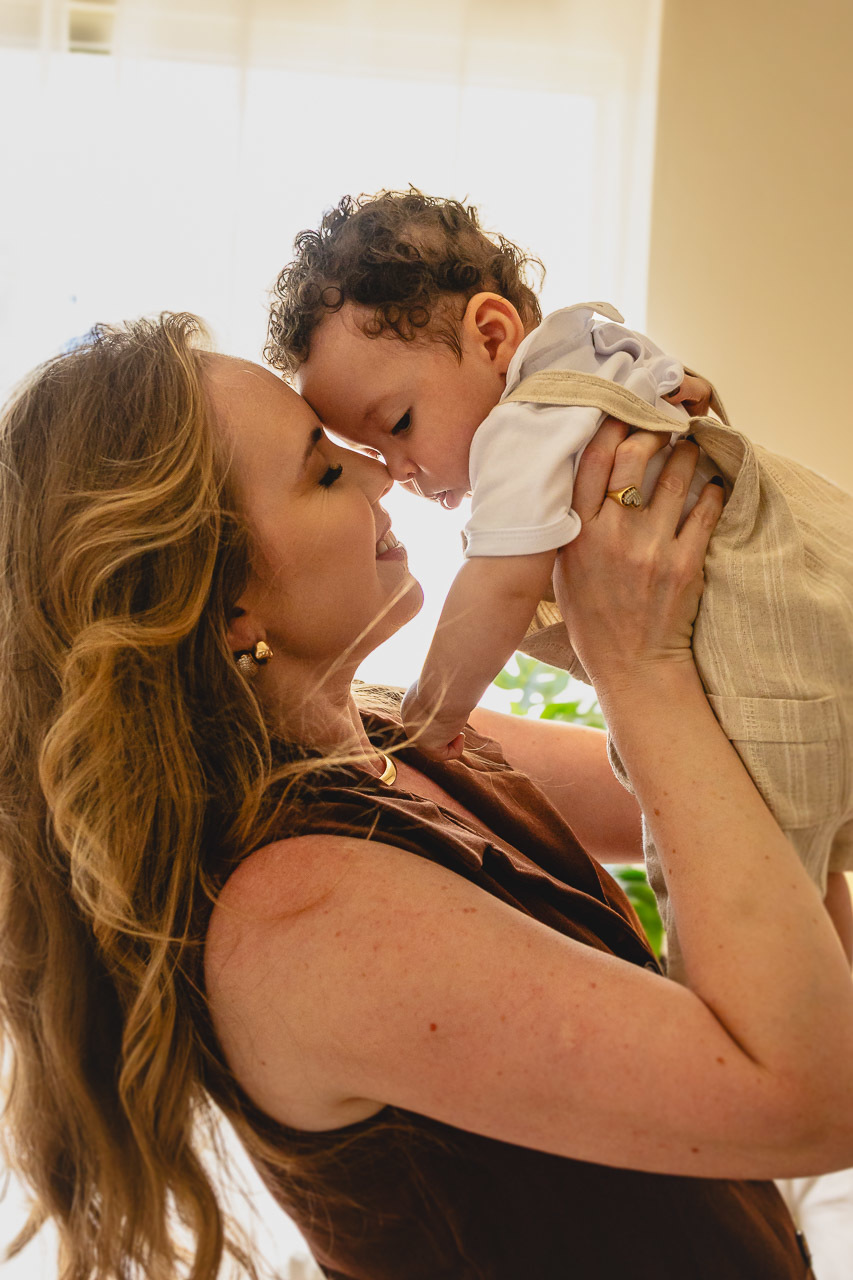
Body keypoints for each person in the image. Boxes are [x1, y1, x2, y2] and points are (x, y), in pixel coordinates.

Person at [2, 315, 852, 1280]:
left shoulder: (403, 740)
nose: (382, 476)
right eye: (325, 472)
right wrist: (638, 664)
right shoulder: (297, 915)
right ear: (230, 600)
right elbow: (810, 1099)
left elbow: (779, 793)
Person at [267, 189, 853, 982]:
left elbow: (498, 587)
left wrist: (433, 714)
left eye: (398, 423)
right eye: (358, 446)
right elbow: (686, 388)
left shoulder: (524, 422)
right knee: (804, 904)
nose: (394, 472)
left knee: (726, 925)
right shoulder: (589, 350)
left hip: (771, 685)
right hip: (820, 630)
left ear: (491, 334)